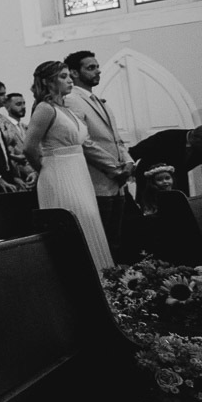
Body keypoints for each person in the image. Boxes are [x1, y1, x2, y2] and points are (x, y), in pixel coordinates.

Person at [23, 61, 114, 271]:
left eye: (68, 75)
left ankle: (102, 278)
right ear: (48, 81)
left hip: (79, 173)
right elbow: (29, 147)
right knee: (78, 221)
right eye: (63, 76)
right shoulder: (45, 109)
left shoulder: (65, 108)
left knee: (90, 219)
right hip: (58, 174)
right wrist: (44, 169)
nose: (70, 80)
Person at [63, 51, 137, 259]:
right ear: (75, 73)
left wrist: (128, 161)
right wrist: (114, 169)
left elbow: (115, 138)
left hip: (117, 182)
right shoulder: (71, 100)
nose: (98, 71)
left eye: (97, 66)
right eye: (91, 67)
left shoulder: (98, 100)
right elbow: (84, 141)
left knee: (116, 241)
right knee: (101, 242)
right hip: (98, 181)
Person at [0, 81, 36, 188]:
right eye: (18, 104)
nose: (23, 107)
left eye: (24, 103)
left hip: (28, 170)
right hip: (11, 171)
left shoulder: (7, 121)